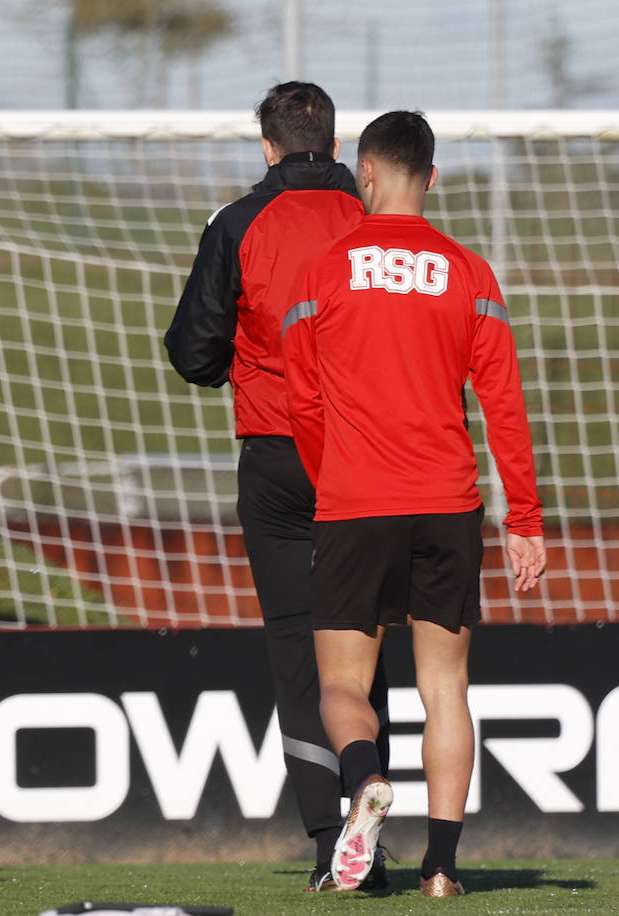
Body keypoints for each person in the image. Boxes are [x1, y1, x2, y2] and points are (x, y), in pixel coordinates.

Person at [282, 110, 547, 897]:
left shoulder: (323, 271)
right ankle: (440, 870)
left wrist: (335, 480)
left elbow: (303, 402)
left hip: (356, 502)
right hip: (447, 504)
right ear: (430, 177)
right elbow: (505, 404)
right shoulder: (469, 273)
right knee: (445, 690)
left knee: (340, 686)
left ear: (364, 174)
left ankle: (364, 778)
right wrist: (524, 519)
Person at [163, 81, 391, 890]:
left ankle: (332, 839)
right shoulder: (376, 222)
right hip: (371, 458)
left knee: (299, 651)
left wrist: (251, 359)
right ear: (334, 144)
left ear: (267, 146)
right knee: (364, 648)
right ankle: (376, 816)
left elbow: (192, 351)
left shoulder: (237, 224)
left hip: (278, 452)